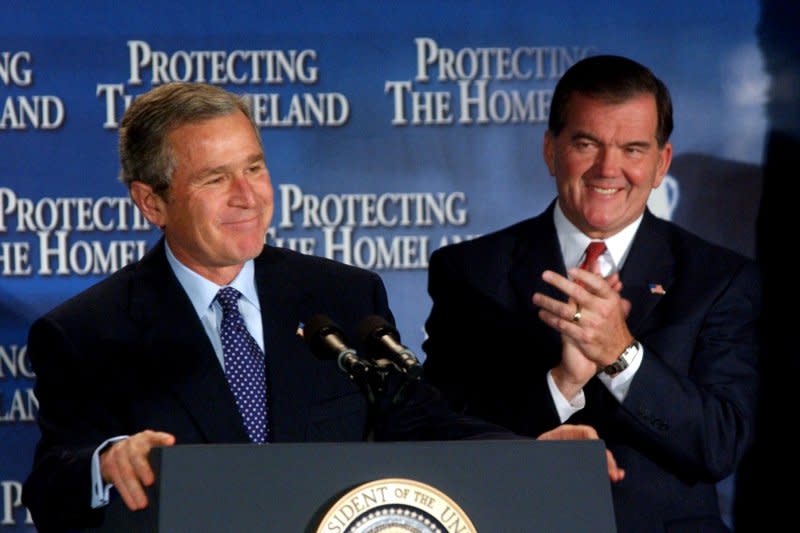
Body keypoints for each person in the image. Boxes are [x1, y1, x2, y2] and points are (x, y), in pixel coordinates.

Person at [21, 82, 620, 533]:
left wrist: (529, 456)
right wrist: (106, 465)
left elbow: (414, 420)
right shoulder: (87, 332)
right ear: (151, 202)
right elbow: (51, 487)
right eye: (214, 179)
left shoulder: (342, 296)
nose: (248, 196)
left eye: (255, 167)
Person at [422, 55, 760, 533]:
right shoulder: (472, 271)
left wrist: (620, 357)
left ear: (661, 163)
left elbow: (720, 443)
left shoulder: (719, 279)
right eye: (587, 143)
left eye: (633, 149)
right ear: (550, 150)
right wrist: (560, 385)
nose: (609, 168)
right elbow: (438, 431)